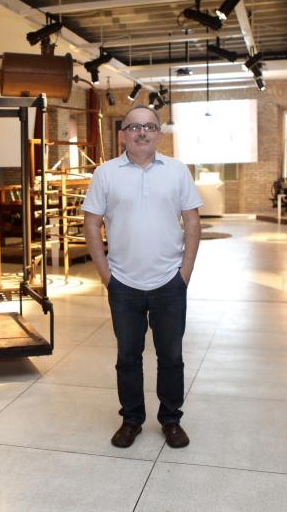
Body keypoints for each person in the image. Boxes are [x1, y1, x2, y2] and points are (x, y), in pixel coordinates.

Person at [82, 104, 202, 449]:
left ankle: (171, 419)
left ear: (159, 134)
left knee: (172, 357)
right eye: (134, 127)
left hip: (169, 283)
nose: (142, 132)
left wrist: (184, 273)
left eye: (149, 126)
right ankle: (131, 419)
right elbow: (91, 223)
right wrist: (106, 275)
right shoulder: (106, 173)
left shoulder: (177, 171)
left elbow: (192, 221)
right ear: (123, 134)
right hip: (123, 284)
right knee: (128, 358)